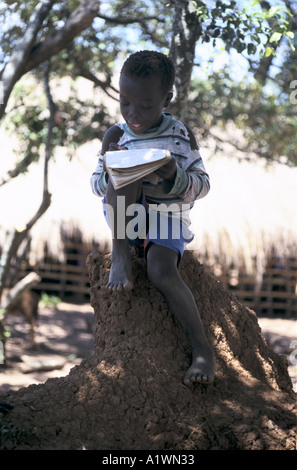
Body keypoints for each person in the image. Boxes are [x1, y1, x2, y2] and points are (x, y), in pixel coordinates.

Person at [91, 50, 215, 385]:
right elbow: (95, 185)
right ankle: (120, 255)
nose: (133, 113)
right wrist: (111, 167)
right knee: (122, 175)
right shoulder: (115, 136)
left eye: (146, 105)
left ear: (166, 98)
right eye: (125, 102)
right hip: (124, 218)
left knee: (162, 271)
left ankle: (203, 351)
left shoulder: (179, 135)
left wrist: (173, 174)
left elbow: (202, 186)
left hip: (167, 216)